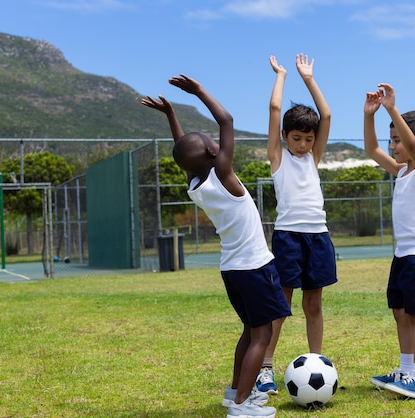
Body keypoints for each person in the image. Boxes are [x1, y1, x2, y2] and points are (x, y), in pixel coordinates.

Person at [141, 74, 291, 418]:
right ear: (213, 150)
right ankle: (242, 406)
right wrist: (199, 92)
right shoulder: (223, 174)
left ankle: (234, 392)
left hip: (233, 270)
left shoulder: (196, 182)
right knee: (262, 336)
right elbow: (226, 120)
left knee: (250, 331)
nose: (214, 139)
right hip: (255, 267)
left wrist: (171, 116)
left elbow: (184, 150)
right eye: (211, 141)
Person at [255, 54, 338, 394]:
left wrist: (309, 78)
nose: (303, 145)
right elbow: (275, 111)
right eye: (296, 139)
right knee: (281, 304)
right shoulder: (278, 157)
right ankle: (265, 368)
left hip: (318, 237)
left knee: (313, 304)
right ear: (285, 137)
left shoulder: (314, 158)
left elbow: (327, 114)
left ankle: (316, 364)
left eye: (309, 139)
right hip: (288, 237)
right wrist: (282, 75)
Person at [363, 83, 415, 400]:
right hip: (403, 256)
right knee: (400, 311)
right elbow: (371, 150)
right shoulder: (400, 172)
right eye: (392, 139)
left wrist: (392, 108)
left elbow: (413, 147)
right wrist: (369, 115)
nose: (393, 146)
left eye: (397, 140)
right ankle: (406, 371)